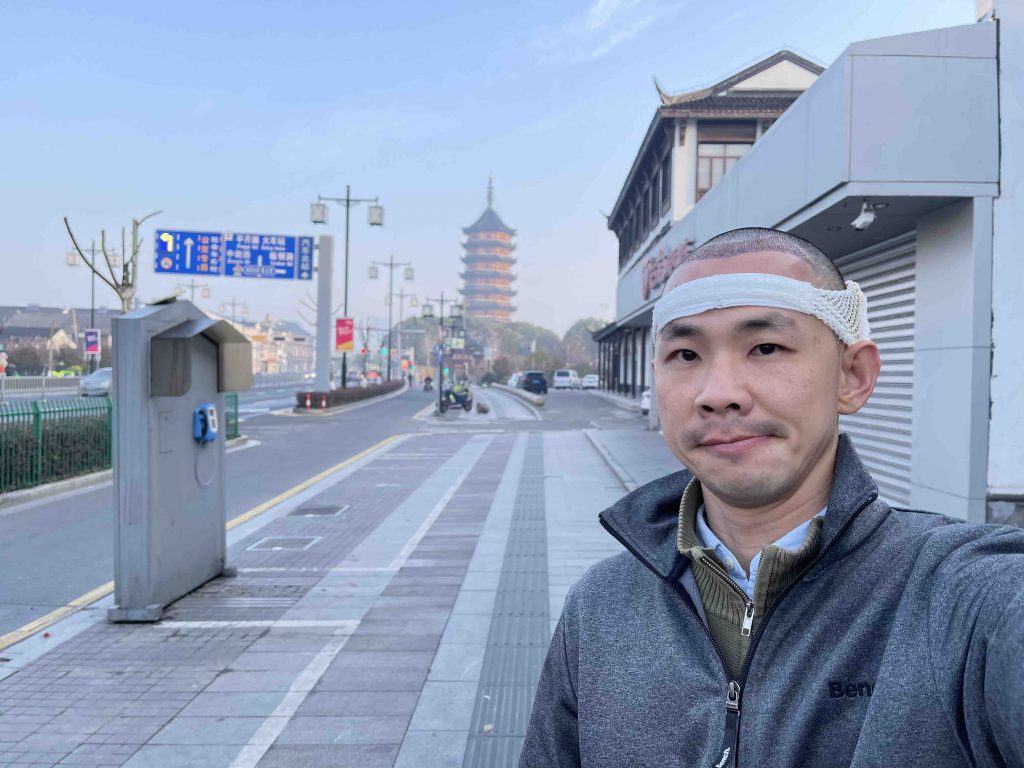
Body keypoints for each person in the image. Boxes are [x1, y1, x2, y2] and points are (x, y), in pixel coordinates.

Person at [520, 227, 1024, 767]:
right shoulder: (600, 607)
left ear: (852, 376)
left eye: (765, 347)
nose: (719, 394)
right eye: (686, 354)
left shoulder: (959, 597)